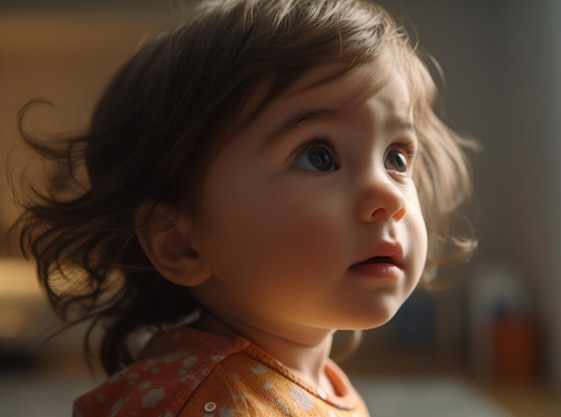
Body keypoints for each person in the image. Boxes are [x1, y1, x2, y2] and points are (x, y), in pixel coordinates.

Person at [15, 0, 476, 415]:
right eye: (319, 156)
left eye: (396, 157)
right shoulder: (209, 402)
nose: (390, 197)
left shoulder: (302, 378)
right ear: (181, 244)